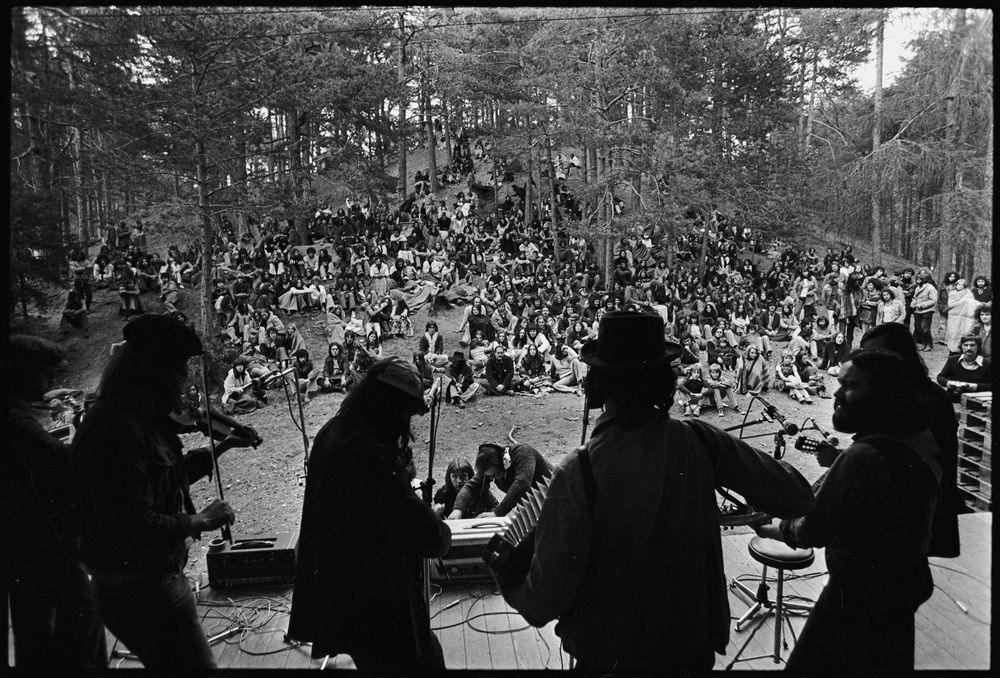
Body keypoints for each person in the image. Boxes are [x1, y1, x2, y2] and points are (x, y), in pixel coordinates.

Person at [493, 311, 814, 672]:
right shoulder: (701, 441)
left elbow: (541, 604)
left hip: (610, 658)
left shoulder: (578, 472)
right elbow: (798, 496)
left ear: (595, 387)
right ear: (665, 381)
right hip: (690, 653)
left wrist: (506, 573)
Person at [755, 349, 942, 673]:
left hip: (858, 598)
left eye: (850, 386)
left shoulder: (863, 457)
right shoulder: (918, 439)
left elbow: (813, 528)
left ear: (883, 395)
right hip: (902, 588)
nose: (837, 394)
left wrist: (774, 527)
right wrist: (840, 457)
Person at [70, 314, 238, 669]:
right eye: (178, 371)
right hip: (139, 590)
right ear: (154, 372)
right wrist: (199, 520)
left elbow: (165, 474)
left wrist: (223, 447)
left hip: (155, 581)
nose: (183, 383)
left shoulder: (138, 418)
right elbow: (132, 523)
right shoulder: (115, 428)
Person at [288, 357, 451, 670]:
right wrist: (437, 524)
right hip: (375, 601)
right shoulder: (369, 454)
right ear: (391, 407)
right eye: (406, 413)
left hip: (347, 592)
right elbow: (432, 538)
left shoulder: (335, 430)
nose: (407, 424)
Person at [6, 336, 107, 670]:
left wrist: (43, 398)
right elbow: (64, 460)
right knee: (82, 615)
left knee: (32, 625)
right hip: (40, 542)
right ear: (23, 375)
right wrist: (85, 426)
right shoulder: (18, 424)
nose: (50, 382)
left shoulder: (13, 409)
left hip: (21, 543)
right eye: (45, 376)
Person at [860, 323, 961, 558]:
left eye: (875, 355)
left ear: (900, 357)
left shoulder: (926, 400)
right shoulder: (891, 395)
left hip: (915, 514)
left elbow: (912, 464)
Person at [447, 441, 553, 519]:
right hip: (534, 505)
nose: (492, 478)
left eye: (496, 474)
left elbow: (522, 484)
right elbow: (471, 486)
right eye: (490, 476)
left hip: (554, 498)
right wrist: (458, 509)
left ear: (504, 462)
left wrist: (497, 513)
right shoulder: (489, 469)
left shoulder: (523, 453)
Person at [433, 457, 499, 518]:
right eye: (454, 476)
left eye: (463, 476)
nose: (459, 481)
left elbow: (495, 505)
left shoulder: (481, 490)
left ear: (470, 476)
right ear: (449, 477)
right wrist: (437, 514)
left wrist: (488, 515)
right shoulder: (442, 495)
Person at [936, 334, 992, 401]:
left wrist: (976, 386)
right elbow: (940, 377)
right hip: (952, 399)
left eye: (972, 345)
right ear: (961, 347)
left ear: (978, 347)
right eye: (965, 345)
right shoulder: (953, 360)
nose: (969, 348)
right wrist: (948, 383)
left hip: (975, 402)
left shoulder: (987, 363)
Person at [910, 270, 938, 351]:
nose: (918, 281)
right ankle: (923, 343)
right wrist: (913, 303)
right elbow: (915, 297)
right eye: (917, 279)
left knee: (924, 328)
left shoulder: (931, 288)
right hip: (917, 311)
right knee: (918, 328)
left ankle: (929, 345)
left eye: (920, 279)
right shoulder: (917, 287)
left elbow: (933, 300)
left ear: (925, 280)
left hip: (927, 311)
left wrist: (922, 305)